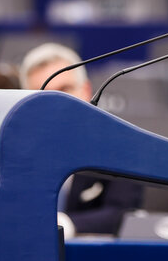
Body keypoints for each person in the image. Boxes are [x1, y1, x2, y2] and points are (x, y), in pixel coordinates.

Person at [20, 43, 142, 236]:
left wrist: (66, 225)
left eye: (64, 89)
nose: (55, 101)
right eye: (42, 93)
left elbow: (123, 212)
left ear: (86, 90)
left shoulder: (119, 144)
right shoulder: (16, 149)